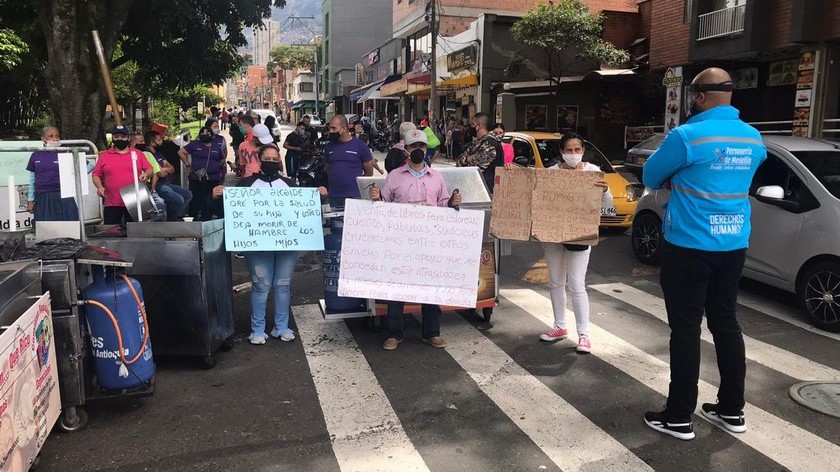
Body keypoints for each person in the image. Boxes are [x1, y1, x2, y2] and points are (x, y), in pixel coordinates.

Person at [642, 68, 767, 441]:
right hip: (733, 245)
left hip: (689, 246)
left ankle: (679, 415)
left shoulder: (687, 135)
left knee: (685, 330)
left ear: (698, 97)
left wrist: (676, 177)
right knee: (726, 324)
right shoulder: (753, 137)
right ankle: (732, 409)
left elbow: (651, 175)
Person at [369, 129, 461, 351]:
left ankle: (432, 332)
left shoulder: (437, 178)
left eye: (421, 147)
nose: (418, 150)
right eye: (413, 147)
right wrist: (377, 198)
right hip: (400, 242)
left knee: (430, 286)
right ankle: (394, 333)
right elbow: (384, 207)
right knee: (397, 288)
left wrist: (452, 203)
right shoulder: (393, 177)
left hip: (429, 242)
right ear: (406, 151)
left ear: (426, 150)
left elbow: (443, 204)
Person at [538, 134, 611, 355]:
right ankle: (560, 326)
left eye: (577, 149)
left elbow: (608, 208)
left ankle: (584, 334)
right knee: (556, 282)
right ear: (561, 152)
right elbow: (535, 196)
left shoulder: (593, 172)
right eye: (568, 150)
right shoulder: (551, 173)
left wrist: (605, 191)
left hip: (580, 235)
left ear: (583, 151)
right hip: (553, 235)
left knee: (577, 284)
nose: (573, 153)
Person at [92, 125, 153, 225]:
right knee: (112, 232)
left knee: (135, 232)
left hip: (134, 200)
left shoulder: (137, 153)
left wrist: (146, 174)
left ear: (128, 138)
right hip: (111, 201)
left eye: (122, 136)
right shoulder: (105, 155)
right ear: (112, 138)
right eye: (116, 136)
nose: (119, 139)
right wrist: (99, 187)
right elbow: (96, 174)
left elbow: (150, 169)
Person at [26, 126, 82, 222]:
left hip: (64, 196)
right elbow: (32, 180)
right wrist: (30, 200)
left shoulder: (66, 153)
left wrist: (72, 178)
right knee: (46, 230)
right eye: (50, 136)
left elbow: (89, 166)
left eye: (57, 136)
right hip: (43, 197)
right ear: (43, 139)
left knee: (69, 229)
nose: (55, 139)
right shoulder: (36, 154)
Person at [323, 115, 373, 209]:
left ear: (344, 128)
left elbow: (369, 172)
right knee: (336, 223)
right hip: (334, 197)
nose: (331, 131)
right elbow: (327, 168)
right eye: (330, 128)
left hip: (355, 197)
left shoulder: (360, 146)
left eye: (334, 128)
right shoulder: (328, 147)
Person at [146, 130, 192, 221]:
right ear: (152, 142)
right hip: (157, 185)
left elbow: (172, 168)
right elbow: (160, 173)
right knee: (178, 200)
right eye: (159, 140)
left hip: (166, 183)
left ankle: (172, 217)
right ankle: (171, 220)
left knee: (187, 194)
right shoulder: (147, 154)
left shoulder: (159, 153)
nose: (162, 142)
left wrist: (164, 169)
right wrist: (165, 169)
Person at [184, 126, 226, 220]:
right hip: (196, 178)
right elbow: (181, 152)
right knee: (195, 198)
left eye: (208, 134)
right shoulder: (194, 145)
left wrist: (217, 166)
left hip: (213, 178)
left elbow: (222, 159)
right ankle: (193, 218)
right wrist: (187, 164)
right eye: (203, 134)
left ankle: (207, 218)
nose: (205, 136)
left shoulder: (216, 147)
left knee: (209, 199)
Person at [458, 112, 502, 193]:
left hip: (485, 192)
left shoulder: (490, 145)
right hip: (474, 190)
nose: (471, 127)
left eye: (473, 124)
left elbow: (472, 170)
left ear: (480, 125)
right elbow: (459, 164)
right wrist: (468, 159)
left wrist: (466, 159)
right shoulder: (478, 142)